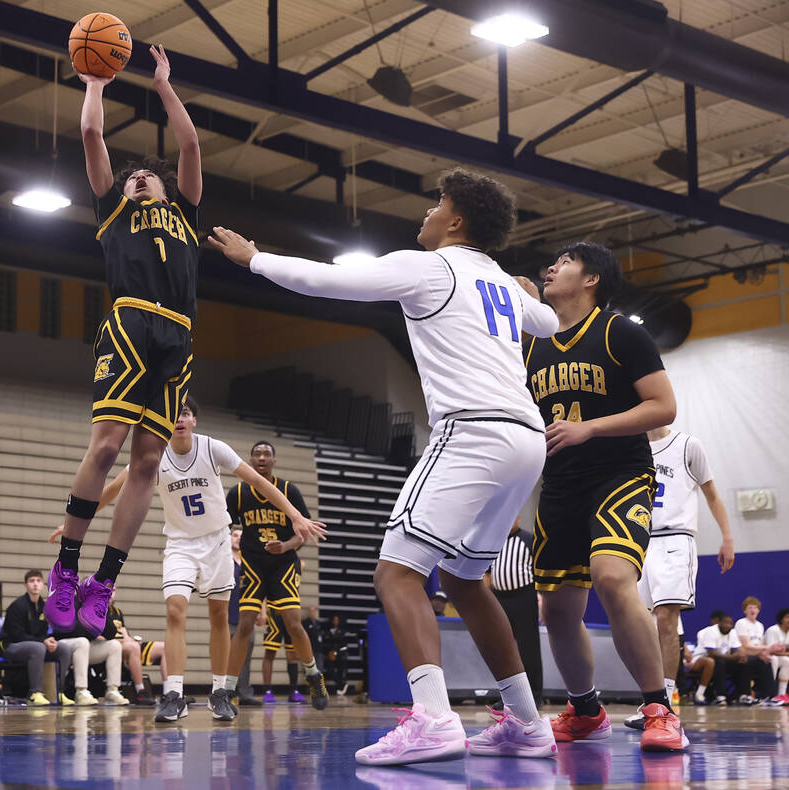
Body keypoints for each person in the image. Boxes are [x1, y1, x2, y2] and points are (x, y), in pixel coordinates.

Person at [209, 168, 560, 765]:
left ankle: (432, 718)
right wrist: (526, 292)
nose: (426, 213)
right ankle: (527, 722)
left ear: (457, 221)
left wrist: (255, 258)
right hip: (527, 439)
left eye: (437, 203)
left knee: (396, 573)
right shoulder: (498, 278)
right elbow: (550, 324)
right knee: (466, 582)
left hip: (472, 431)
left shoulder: (430, 267)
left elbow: (329, 281)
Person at [45, 45, 212, 640]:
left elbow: (189, 147)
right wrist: (95, 81)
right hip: (131, 320)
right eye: (132, 175)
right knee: (108, 447)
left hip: (180, 336)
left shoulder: (187, 215)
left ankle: (105, 580)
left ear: (166, 189)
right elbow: (92, 134)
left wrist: (165, 86)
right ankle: (67, 566)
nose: (139, 177)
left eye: (148, 175)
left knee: (148, 460)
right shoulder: (115, 207)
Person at [51, 396, 324, 721]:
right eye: (174, 413)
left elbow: (259, 483)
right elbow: (113, 489)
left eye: (185, 413)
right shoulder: (152, 453)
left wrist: (294, 515)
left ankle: (221, 692)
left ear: (194, 420)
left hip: (217, 541)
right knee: (174, 611)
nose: (179, 418)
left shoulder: (213, 448)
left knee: (219, 615)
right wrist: (74, 524)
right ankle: (173, 695)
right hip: (180, 542)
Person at [525, 240, 687, 750]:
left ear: (591, 278)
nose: (552, 267)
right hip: (560, 484)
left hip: (620, 473)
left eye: (565, 262)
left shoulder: (620, 332)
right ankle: (585, 710)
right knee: (556, 610)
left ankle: (659, 709)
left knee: (613, 577)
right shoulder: (531, 344)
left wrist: (589, 428)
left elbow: (663, 406)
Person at [627, 426, 734, 726]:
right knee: (644, 624)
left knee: (666, 618)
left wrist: (727, 537)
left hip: (676, 538)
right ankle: (651, 701)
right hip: (641, 540)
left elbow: (711, 494)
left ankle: (666, 702)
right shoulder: (630, 446)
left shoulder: (688, 445)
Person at [224, 440, 330, 713]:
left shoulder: (288, 490)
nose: (261, 457)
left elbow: (303, 531)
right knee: (245, 625)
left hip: (282, 563)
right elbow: (223, 526)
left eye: (266, 454)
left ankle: (314, 677)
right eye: (256, 453)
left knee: (293, 624)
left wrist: (285, 545)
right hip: (253, 564)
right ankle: (228, 689)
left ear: (273, 461)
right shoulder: (238, 493)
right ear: (250, 459)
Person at [486, 517, 543, 705]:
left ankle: (534, 695)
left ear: (518, 519)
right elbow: (487, 572)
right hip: (499, 599)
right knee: (501, 649)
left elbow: (540, 570)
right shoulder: (494, 541)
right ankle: (509, 696)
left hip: (524, 597)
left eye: (513, 518)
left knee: (529, 649)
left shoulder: (528, 539)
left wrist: (541, 596)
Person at [0, 570, 76, 706]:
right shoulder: (17, 606)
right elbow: (17, 635)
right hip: (11, 646)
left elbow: (43, 633)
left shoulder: (45, 607)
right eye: (31, 581)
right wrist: (42, 641)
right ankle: (35, 693)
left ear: (43, 585)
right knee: (39, 648)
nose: (35, 584)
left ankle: (60, 692)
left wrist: (50, 640)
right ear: (26, 585)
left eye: (38, 581)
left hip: (36, 645)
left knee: (63, 648)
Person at [104, 601, 164, 704]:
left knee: (164, 647)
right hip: (110, 646)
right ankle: (140, 690)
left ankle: (169, 691)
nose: (111, 592)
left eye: (114, 590)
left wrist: (132, 641)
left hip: (127, 645)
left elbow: (124, 633)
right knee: (133, 647)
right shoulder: (95, 609)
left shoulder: (117, 612)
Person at [228, 527, 258, 705]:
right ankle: (226, 692)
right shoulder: (224, 560)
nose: (238, 539)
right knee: (227, 657)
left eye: (241, 536)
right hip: (227, 617)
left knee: (245, 658)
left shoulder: (249, 562)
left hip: (246, 617)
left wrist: (261, 610)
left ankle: (245, 693)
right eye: (235, 535)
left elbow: (258, 585)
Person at [733, 597, 779, 705]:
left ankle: (769, 696)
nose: (753, 610)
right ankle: (744, 695)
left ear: (759, 610)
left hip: (755, 655)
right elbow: (746, 645)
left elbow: (760, 644)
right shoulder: (741, 623)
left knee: (767, 661)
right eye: (750, 607)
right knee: (748, 662)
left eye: (755, 607)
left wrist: (763, 653)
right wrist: (768, 648)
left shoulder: (760, 625)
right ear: (745, 610)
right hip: (743, 655)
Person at [694, 610, 740, 704]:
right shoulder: (709, 631)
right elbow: (711, 653)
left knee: (742, 662)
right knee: (714, 661)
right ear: (719, 623)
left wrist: (740, 656)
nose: (728, 625)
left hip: (721, 660)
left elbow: (735, 651)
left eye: (730, 623)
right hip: (701, 659)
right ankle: (701, 693)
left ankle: (743, 695)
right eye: (725, 623)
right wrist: (732, 657)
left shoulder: (733, 632)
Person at [260, 608, 304, 703]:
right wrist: (263, 612)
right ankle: (267, 691)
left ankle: (293, 691)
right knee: (270, 653)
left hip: (290, 612)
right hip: (273, 612)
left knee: (292, 655)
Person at [762, 609, 789, 702]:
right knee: (774, 659)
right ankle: (769, 693)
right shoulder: (773, 630)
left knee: (787, 661)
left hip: (780, 657)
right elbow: (770, 651)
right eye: (787, 617)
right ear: (781, 619)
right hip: (763, 656)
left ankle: (781, 694)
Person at [321, 615, 352, 695]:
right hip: (331, 653)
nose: (335, 622)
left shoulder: (343, 631)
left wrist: (338, 652)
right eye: (334, 620)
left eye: (337, 620)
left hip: (341, 654)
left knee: (341, 670)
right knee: (330, 669)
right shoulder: (328, 631)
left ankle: (341, 686)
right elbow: (325, 643)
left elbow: (344, 644)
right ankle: (341, 685)